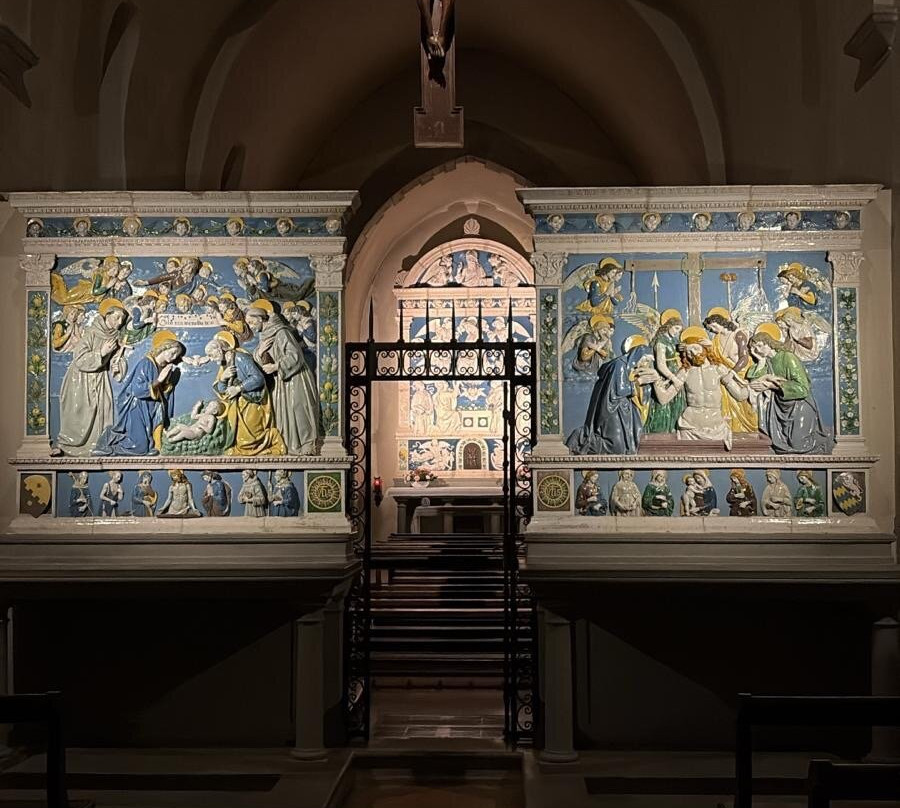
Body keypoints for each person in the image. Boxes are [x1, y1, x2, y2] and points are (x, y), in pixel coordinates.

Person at [653, 327, 751, 450]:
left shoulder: (719, 369)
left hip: (716, 426)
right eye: (689, 352)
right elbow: (664, 399)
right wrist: (655, 380)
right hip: (690, 426)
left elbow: (740, 395)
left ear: (704, 348)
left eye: (695, 348)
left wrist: (755, 386)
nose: (693, 353)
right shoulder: (685, 373)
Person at [93, 330, 186, 456]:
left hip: (151, 409)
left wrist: (167, 385)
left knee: (147, 443)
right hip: (137, 407)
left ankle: (150, 445)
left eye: (177, 355)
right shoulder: (146, 363)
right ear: (164, 348)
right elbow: (137, 390)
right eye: (173, 352)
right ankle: (108, 442)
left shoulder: (164, 367)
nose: (174, 357)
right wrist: (159, 380)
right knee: (139, 447)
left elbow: (161, 392)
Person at [56, 298, 129, 456]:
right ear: (107, 315)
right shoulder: (91, 332)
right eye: (117, 317)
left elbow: (115, 359)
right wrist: (100, 353)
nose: (120, 322)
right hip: (80, 379)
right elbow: (79, 358)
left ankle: (98, 445)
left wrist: (116, 365)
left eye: (122, 319)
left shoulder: (114, 336)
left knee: (102, 411)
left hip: (99, 378)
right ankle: (70, 444)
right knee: (80, 413)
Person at [246, 299, 320, 455]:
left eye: (252, 322)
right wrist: (260, 352)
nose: (250, 327)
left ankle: (306, 445)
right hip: (280, 381)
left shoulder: (281, 332)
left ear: (260, 319)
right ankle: (287, 445)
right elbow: (258, 358)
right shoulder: (265, 336)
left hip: (295, 377)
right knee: (282, 414)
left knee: (297, 409)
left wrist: (276, 366)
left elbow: (295, 356)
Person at [565, 338, 658, 455]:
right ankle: (580, 438)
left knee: (625, 445)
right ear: (637, 355)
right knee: (616, 447)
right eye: (645, 360)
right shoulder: (620, 365)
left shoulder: (628, 367)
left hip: (623, 410)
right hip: (612, 409)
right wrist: (639, 381)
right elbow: (619, 390)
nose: (645, 364)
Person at [746, 330, 834, 454]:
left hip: (799, 405)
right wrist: (760, 361)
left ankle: (824, 438)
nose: (758, 350)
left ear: (769, 343)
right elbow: (755, 382)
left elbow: (803, 388)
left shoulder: (787, 357)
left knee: (799, 444)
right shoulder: (767, 362)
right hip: (780, 408)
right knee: (780, 444)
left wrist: (772, 385)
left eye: (760, 346)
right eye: (754, 348)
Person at [206, 331, 286, 456]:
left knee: (251, 437)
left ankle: (272, 437)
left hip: (253, 401)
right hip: (238, 405)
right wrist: (223, 378)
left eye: (211, 355)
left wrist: (238, 388)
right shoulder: (225, 364)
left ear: (220, 349)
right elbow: (223, 390)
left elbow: (258, 378)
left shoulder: (241, 358)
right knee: (241, 439)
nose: (211, 359)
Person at [703, 308, 758, 434]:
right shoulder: (716, 339)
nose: (713, 330)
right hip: (725, 374)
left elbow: (744, 358)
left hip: (741, 372)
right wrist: (709, 346)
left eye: (713, 326)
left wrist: (732, 373)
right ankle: (730, 427)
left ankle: (747, 428)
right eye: (710, 329)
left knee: (743, 404)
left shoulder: (738, 335)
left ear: (720, 322)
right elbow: (716, 358)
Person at [644, 309, 685, 434]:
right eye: (676, 328)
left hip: (675, 374)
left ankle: (674, 430)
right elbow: (661, 365)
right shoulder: (661, 342)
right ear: (669, 326)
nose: (677, 332)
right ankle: (662, 433)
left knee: (676, 405)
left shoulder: (671, 341)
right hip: (666, 377)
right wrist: (673, 378)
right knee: (664, 407)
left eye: (679, 330)